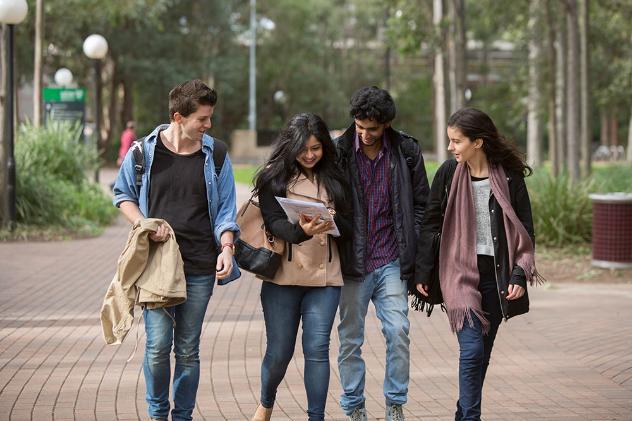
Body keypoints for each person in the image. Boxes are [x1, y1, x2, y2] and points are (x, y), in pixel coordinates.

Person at [112, 79, 240, 421]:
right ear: (178, 117)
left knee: (187, 349)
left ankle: (182, 416)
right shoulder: (143, 152)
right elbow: (122, 194)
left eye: (210, 117)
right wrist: (145, 224)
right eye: (202, 118)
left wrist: (226, 247)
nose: (208, 125)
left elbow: (227, 209)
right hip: (157, 267)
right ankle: (158, 415)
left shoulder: (217, 155)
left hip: (200, 266)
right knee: (156, 348)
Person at [413, 107, 542, 420]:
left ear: (478, 142)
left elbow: (524, 228)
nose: (450, 147)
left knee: (480, 356)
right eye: (450, 141)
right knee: (471, 351)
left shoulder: (509, 175)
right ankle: (471, 417)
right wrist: (423, 270)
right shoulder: (447, 174)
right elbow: (431, 222)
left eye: (457, 141)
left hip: (496, 277)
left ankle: (463, 413)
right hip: (458, 273)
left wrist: (519, 275)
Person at [334, 86, 430, 421]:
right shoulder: (340, 151)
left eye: (372, 129)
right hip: (353, 262)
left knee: (398, 331)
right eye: (359, 127)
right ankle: (354, 406)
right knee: (349, 339)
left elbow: (422, 205)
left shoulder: (406, 150)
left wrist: (414, 247)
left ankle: (395, 403)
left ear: (386, 125)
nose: (364, 134)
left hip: (391, 259)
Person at [251, 113, 352, 421]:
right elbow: (275, 223)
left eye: (317, 148)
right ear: (290, 145)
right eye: (303, 148)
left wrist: (333, 222)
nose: (310, 155)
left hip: (326, 278)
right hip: (283, 276)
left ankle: (316, 417)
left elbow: (352, 226)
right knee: (279, 352)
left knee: (317, 349)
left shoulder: (335, 178)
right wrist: (302, 231)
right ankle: (267, 402)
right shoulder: (273, 178)